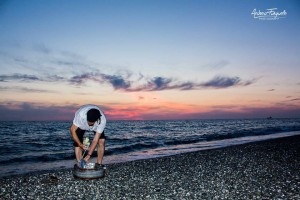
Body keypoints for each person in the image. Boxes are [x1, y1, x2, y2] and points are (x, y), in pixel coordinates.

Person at [70, 104, 106, 169]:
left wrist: (89, 155)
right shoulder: (80, 115)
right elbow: (72, 130)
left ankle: (99, 164)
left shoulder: (102, 120)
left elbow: (95, 140)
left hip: (96, 126)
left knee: (101, 141)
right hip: (82, 125)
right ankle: (80, 164)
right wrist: (80, 144)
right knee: (77, 142)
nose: (90, 124)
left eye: (92, 123)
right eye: (89, 122)